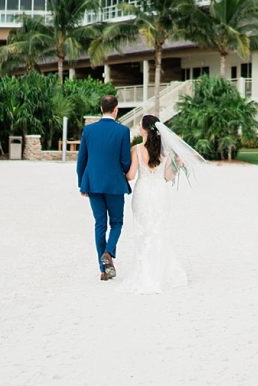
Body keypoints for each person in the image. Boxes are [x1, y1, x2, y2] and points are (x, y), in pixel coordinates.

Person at [118, 115, 203, 295]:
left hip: (142, 194)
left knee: (143, 231)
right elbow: (167, 177)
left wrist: (118, 170)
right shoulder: (165, 152)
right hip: (159, 194)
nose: (138, 127)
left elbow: (131, 176)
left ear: (145, 129)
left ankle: (145, 271)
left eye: (140, 125)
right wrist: (178, 165)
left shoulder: (137, 150)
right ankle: (160, 270)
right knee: (158, 230)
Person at [76, 94, 132, 282]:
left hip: (93, 183)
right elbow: (125, 162)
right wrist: (122, 170)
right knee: (116, 222)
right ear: (116, 109)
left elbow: (81, 160)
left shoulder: (89, 130)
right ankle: (108, 253)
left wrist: (81, 184)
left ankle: (103, 269)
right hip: (115, 184)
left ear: (101, 109)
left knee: (100, 224)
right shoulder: (123, 131)